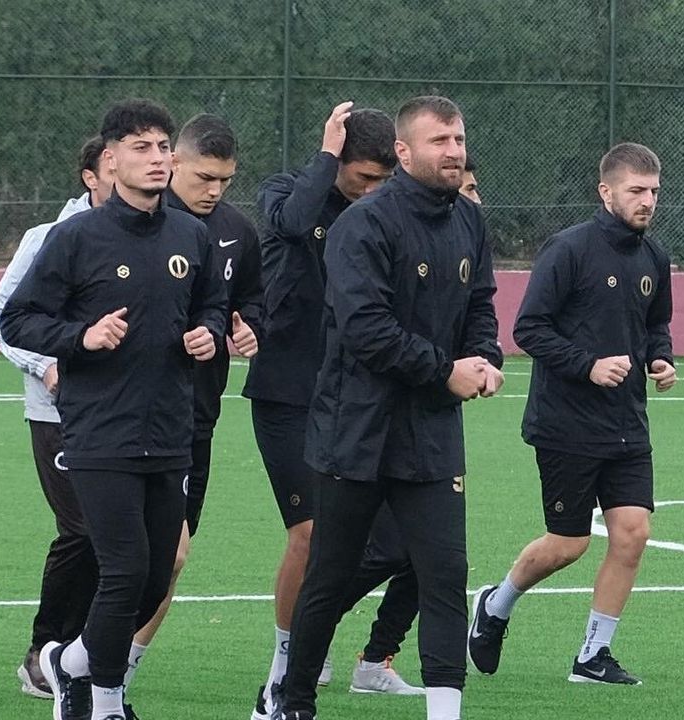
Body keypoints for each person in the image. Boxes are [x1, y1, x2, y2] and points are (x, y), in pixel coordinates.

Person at [275, 95, 503, 720]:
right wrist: (445, 371)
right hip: (356, 430)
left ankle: (445, 711)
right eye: (439, 141)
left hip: (431, 433)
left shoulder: (470, 220)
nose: (454, 151)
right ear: (403, 151)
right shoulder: (364, 224)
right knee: (331, 574)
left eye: (459, 139)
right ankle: (291, 701)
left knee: (445, 572)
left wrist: (485, 357)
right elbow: (366, 330)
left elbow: (481, 304)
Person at [1, 99, 226, 720]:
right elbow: (18, 319)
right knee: (124, 571)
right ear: (110, 159)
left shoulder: (191, 236)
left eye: (163, 148)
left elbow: (212, 305)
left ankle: (67, 662)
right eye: (141, 148)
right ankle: (105, 704)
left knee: (154, 579)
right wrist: (81, 337)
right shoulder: (75, 237)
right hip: (99, 432)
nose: (157, 159)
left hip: (170, 430)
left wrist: (208, 333)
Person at [466, 142, 675, 687]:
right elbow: (528, 329)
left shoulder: (654, 257)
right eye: (636, 190)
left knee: (633, 533)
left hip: (627, 424)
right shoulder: (569, 249)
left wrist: (661, 357)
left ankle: (593, 655)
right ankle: (495, 604)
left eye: (654, 191)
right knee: (569, 543)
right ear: (606, 192)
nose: (647, 201)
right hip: (567, 423)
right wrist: (589, 366)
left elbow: (656, 323)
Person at [241, 102, 401, 718]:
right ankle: (285, 669)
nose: (374, 191)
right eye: (363, 177)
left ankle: (318, 631)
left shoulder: (387, 211)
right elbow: (292, 223)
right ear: (336, 160)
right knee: (309, 535)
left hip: (355, 397)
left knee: (393, 541)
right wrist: (328, 155)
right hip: (286, 392)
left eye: (384, 180)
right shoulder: (289, 190)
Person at [120, 112, 264, 689]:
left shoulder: (237, 232)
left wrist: (248, 329)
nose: (215, 190)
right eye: (205, 177)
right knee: (149, 555)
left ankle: (111, 673)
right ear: (174, 161)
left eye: (225, 180)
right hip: (125, 415)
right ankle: (88, 664)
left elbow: (251, 300)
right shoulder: (134, 222)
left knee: (170, 560)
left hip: (195, 419)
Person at [0, 135, 114, 699]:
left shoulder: (155, 235)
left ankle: (85, 654)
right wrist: (45, 364)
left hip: (124, 411)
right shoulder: (47, 238)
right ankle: (43, 652)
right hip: (56, 412)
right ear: (91, 176)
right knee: (81, 528)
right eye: (115, 164)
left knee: (120, 537)